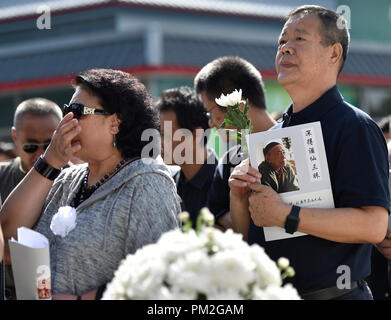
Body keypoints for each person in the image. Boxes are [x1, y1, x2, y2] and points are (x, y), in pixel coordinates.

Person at [229, 5, 390, 300]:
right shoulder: (273, 137)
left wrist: (288, 216)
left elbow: (374, 225)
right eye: (282, 41)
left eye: (299, 39)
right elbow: (252, 239)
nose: (286, 49)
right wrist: (239, 198)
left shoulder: (355, 127)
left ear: (334, 53)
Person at [0, 68, 180, 300]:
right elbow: (8, 233)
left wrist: (83, 299)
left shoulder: (147, 182)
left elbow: (159, 276)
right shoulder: (66, 178)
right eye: (67, 111)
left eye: (77, 111)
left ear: (115, 122)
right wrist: (50, 160)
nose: (67, 120)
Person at [194, 56, 276, 230]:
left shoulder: (294, 145)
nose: (210, 123)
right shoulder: (228, 163)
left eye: (210, 113)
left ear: (236, 105)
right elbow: (213, 224)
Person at [0, 97, 62, 300]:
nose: (41, 154)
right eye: (31, 146)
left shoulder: (78, 178)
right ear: (15, 137)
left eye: (49, 144)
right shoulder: (2, 176)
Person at [156, 86, 218, 226]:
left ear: (196, 135)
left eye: (165, 134)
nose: (159, 143)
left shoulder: (226, 185)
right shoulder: (167, 184)